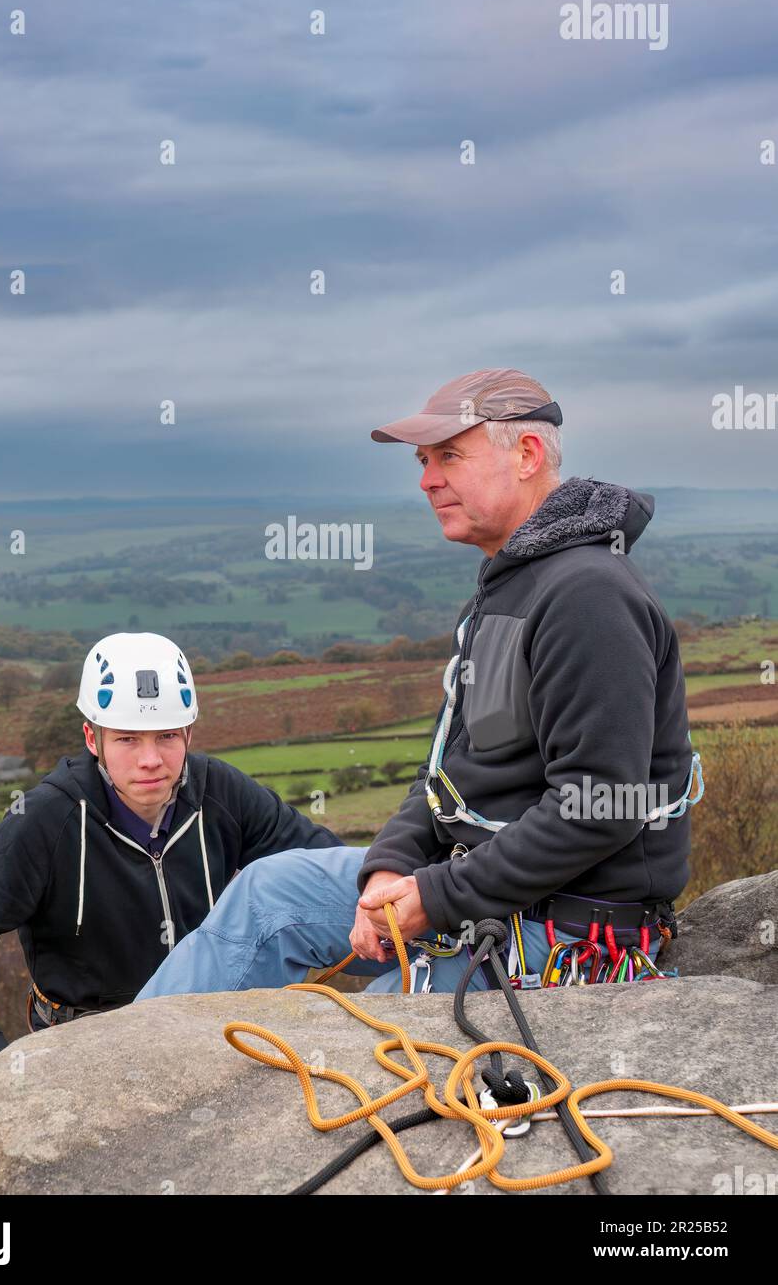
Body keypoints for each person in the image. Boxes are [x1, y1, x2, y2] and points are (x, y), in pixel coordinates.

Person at [136, 368, 701, 1006]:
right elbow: (447, 771)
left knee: (369, 1020)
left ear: (527, 454)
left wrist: (432, 900)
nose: (428, 479)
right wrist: (389, 869)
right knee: (270, 892)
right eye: (424, 461)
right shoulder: (511, 585)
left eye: (450, 456)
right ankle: (120, 1074)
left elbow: (599, 805)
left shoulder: (589, 596)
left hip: (560, 926)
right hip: (473, 883)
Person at [0, 631, 342, 1192]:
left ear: (189, 732)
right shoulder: (49, 820)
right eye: (127, 739)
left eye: (167, 736)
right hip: (84, 1038)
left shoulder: (219, 792)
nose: (151, 760)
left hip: (209, 1025)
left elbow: (321, 867)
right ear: (92, 737)